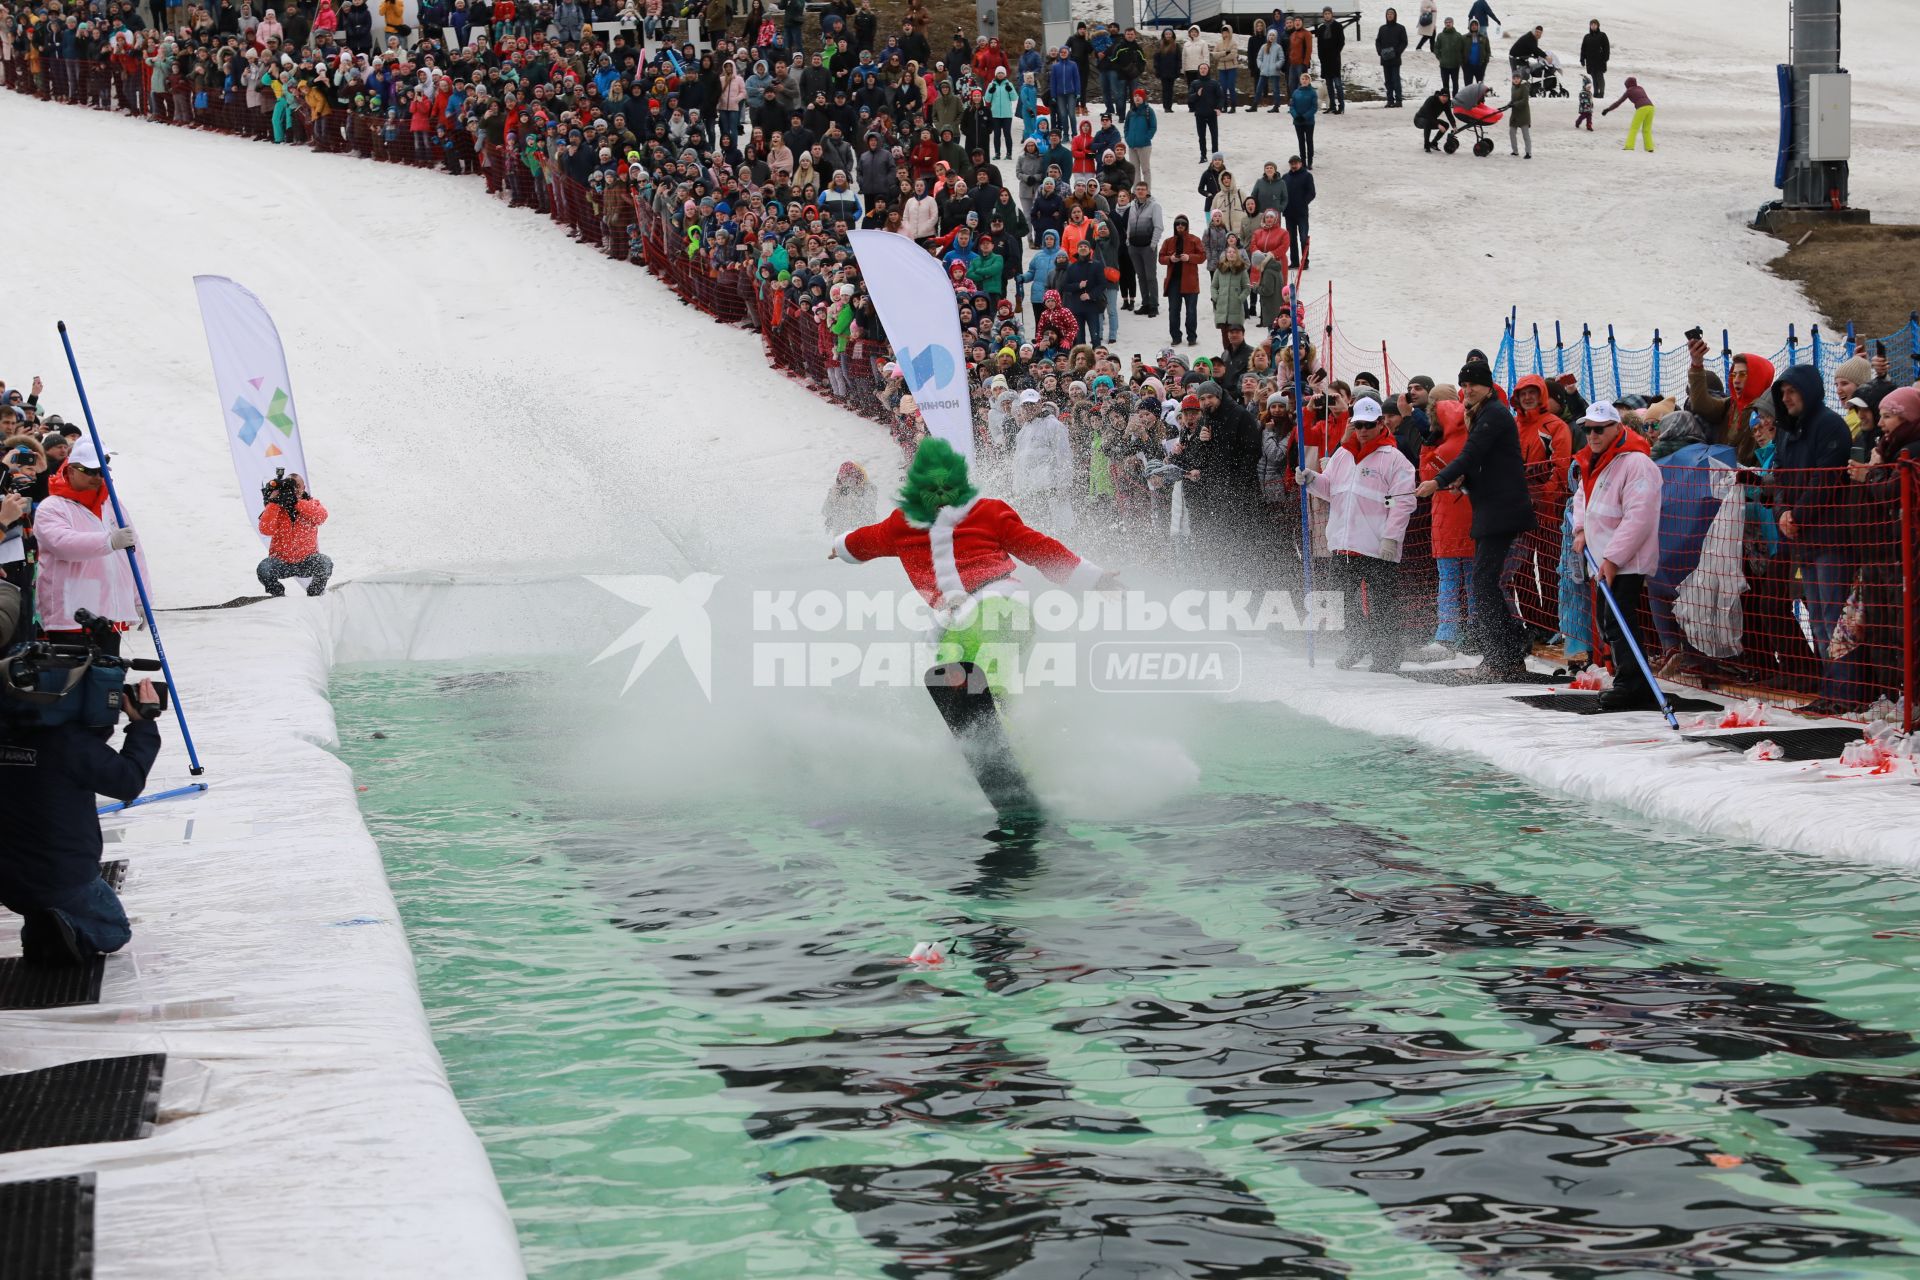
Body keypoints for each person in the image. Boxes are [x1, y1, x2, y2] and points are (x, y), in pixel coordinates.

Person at [0, 670, 164, 965]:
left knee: (41, 893)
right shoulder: (69, 743)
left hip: (8, 881)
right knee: (115, 932)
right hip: (65, 877)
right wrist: (144, 723)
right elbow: (128, 781)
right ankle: (62, 925)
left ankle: (43, 922)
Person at [1414, 359, 1536, 679]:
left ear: (1487, 386)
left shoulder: (1494, 414)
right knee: (1483, 584)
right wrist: (1463, 480)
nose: (1467, 390)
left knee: (1483, 583)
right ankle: (1506, 652)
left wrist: (1439, 481)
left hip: (1502, 510)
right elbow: (1482, 463)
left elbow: (1472, 454)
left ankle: (1504, 653)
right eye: (1463, 385)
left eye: (1473, 385)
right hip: (1491, 508)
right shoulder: (1482, 413)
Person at [1298, 395, 1417, 669]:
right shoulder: (1342, 454)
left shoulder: (1394, 459)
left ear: (1380, 424)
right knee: (1341, 600)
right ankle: (1358, 641)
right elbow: (1330, 489)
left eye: (1368, 425)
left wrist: (1391, 536)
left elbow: (1403, 501)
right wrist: (1312, 480)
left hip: (1377, 544)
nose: (1363, 431)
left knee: (1382, 603)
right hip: (1343, 542)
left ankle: (1386, 656)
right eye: (1358, 425)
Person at [1768, 364, 1854, 711]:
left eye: (1791, 391)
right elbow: (1781, 478)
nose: (1786, 398)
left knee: (1833, 619)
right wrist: (1783, 513)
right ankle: (1829, 691)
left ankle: (1845, 694)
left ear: (1808, 390)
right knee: (1816, 617)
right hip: (1802, 539)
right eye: (1782, 392)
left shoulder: (1830, 425)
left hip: (1831, 538)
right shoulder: (1788, 430)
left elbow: (1826, 480)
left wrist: (1795, 515)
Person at [1568, 402, 1662, 709]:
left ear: (1616, 428)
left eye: (1599, 429)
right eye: (1588, 430)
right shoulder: (1597, 461)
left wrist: (1614, 558)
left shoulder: (1636, 463)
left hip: (1626, 560)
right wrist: (1580, 528)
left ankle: (1633, 684)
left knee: (1619, 620)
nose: (1592, 435)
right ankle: (1629, 678)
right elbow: (1583, 494)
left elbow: (1640, 516)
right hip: (1603, 556)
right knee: (1610, 621)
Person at [31, 439, 141, 650]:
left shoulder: (112, 504)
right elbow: (62, 544)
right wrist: (108, 541)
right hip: (72, 617)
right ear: (71, 470)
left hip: (111, 613)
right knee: (75, 680)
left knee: (108, 679)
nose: (98, 477)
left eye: (102, 470)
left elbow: (134, 553)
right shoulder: (52, 507)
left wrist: (139, 598)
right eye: (90, 471)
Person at [256, 471, 332, 596]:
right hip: (281, 561)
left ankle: (315, 594)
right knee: (264, 569)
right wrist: (274, 503)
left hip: (307, 560)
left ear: (304, 488)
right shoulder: (277, 507)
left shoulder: (311, 503)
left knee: (324, 563)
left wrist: (296, 503)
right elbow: (265, 529)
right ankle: (278, 595)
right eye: (291, 486)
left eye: (298, 486)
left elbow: (321, 517)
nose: (295, 489)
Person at [1160, 214, 1206, 347]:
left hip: (1190, 282)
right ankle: (1175, 336)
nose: (1180, 226)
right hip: (1173, 282)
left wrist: (1189, 257)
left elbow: (1203, 256)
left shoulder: (1194, 240)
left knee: (1191, 311)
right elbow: (1161, 257)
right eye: (1177, 223)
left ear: (1187, 225)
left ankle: (1191, 337)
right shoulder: (1168, 241)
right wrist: (1170, 259)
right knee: (1173, 311)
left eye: (1183, 223)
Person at [1126, 181, 1164, 318]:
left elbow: (1159, 226)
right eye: (1138, 189)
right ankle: (1145, 303)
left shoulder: (1154, 206)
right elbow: (1129, 225)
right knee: (1141, 276)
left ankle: (1154, 305)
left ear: (1147, 191)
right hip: (1134, 247)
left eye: (1143, 189)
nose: (1140, 191)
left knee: (1150, 277)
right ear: (1135, 192)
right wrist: (1128, 241)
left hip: (1148, 247)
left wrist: (1153, 244)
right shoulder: (1132, 206)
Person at [1603, 76, 1653, 152]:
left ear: (1627, 85)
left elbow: (1618, 102)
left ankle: (1629, 146)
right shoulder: (1640, 88)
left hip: (1642, 108)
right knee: (1647, 129)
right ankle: (1649, 147)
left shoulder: (1629, 91)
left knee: (1634, 128)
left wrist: (1608, 109)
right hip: (1651, 107)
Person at [1281, 154, 1314, 269]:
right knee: (1291, 239)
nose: (1294, 165)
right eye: (1292, 163)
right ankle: (1294, 262)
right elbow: (1282, 194)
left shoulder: (1307, 176)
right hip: (1289, 213)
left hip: (1301, 213)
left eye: (1296, 163)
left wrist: (1303, 202)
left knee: (1303, 237)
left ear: (1300, 163)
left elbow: (1312, 193)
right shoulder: (1285, 177)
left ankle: (1305, 261)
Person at [1375, 8, 1408, 108]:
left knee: (1395, 80)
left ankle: (1398, 100)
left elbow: (1404, 42)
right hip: (1385, 59)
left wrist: (1397, 52)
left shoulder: (1400, 28)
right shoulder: (1382, 28)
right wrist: (1380, 51)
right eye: (1388, 14)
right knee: (1388, 81)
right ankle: (1390, 100)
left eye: (1391, 14)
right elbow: (1378, 41)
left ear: (1395, 15)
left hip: (1395, 59)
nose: (1390, 15)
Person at [1189, 63, 1221, 161]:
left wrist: (1219, 108)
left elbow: (1220, 97)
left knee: (1214, 136)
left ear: (1208, 70)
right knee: (1201, 137)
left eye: (1205, 68)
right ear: (1199, 70)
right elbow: (1190, 98)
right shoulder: (1194, 83)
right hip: (1200, 114)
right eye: (1201, 68)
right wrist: (1197, 94)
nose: (1203, 70)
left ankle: (1215, 156)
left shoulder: (1214, 83)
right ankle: (1203, 156)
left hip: (1212, 114)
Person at [1124, 88, 1156, 186]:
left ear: (1143, 98)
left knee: (1145, 170)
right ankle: (1136, 192)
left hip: (1144, 146)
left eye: (1139, 96)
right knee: (1134, 170)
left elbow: (1153, 127)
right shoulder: (1130, 112)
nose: (1137, 98)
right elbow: (1126, 127)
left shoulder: (1148, 111)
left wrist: (1146, 138)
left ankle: (1147, 192)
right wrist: (1128, 138)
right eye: (1135, 96)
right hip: (1132, 145)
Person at [1289, 73, 1318, 169]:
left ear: (1309, 81)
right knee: (1301, 141)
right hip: (1298, 122)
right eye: (1303, 78)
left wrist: (1305, 116)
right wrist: (1296, 116)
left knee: (1309, 141)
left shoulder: (1313, 92)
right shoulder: (1295, 92)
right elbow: (1292, 106)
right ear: (1300, 80)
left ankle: (1310, 161)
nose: (1304, 80)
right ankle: (1303, 162)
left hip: (1309, 122)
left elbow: (1314, 107)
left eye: (1306, 79)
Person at [1415, 86, 1454, 152]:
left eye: (1446, 97)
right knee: (1428, 122)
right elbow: (1428, 115)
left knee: (1445, 125)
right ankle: (1426, 145)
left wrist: (1454, 126)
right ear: (1439, 96)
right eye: (1443, 97)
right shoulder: (1431, 99)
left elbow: (1449, 115)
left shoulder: (1446, 103)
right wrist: (1438, 125)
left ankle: (1433, 143)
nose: (1444, 99)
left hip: (1431, 120)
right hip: (1419, 119)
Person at [1433, 15, 1464, 96]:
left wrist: (1460, 60)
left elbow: (1463, 49)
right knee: (1445, 85)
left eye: (1449, 22)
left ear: (1453, 23)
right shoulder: (1440, 36)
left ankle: (1455, 100)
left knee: (1455, 84)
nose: (1448, 24)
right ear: (1444, 24)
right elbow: (1436, 48)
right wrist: (1440, 58)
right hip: (1444, 65)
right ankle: (1447, 101)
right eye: (1446, 22)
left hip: (1455, 65)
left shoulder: (1458, 35)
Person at [1580, 18, 1610, 99]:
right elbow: (1583, 49)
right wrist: (1582, 59)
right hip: (1590, 61)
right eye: (1592, 25)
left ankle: (1602, 93)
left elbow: (1606, 47)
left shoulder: (1602, 35)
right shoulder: (1587, 37)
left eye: (1595, 24)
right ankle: (1596, 92)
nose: (1593, 26)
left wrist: (1605, 58)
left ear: (1598, 26)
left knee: (1600, 76)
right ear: (1590, 26)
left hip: (1600, 60)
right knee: (1593, 77)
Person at [1506, 68, 1531, 158]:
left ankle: (1528, 153)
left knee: (1525, 135)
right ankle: (1515, 151)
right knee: (1512, 132)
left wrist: (1514, 104)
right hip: (1515, 114)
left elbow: (1525, 101)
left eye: (1517, 78)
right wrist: (1509, 104)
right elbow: (1513, 100)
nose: (1516, 80)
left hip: (1523, 114)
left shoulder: (1524, 87)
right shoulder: (1513, 87)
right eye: (1514, 78)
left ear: (1520, 78)